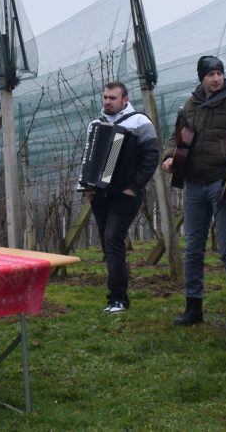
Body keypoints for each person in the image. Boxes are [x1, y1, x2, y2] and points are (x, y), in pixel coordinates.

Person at [162, 55, 226, 331]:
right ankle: (193, 308)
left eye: (219, 73)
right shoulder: (191, 105)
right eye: (211, 74)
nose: (216, 79)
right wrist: (169, 156)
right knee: (192, 248)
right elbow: (176, 137)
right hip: (194, 184)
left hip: (222, 183)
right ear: (201, 77)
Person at [85, 82, 159, 314]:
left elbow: (151, 157)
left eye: (112, 98)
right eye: (105, 97)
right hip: (100, 193)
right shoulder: (96, 125)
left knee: (113, 238)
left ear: (125, 100)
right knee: (108, 243)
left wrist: (134, 187)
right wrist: (87, 184)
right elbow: (89, 157)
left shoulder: (139, 122)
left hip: (126, 194)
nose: (107, 102)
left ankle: (118, 299)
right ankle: (117, 292)